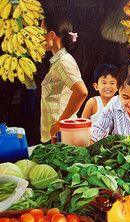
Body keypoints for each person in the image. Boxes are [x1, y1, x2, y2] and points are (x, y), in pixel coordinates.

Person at [40, 14, 88, 143]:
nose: (40, 37)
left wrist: (60, 123)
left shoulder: (63, 62)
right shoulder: (57, 62)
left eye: (42, 32)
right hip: (57, 133)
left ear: (51, 35)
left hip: (62, 134)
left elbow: (81, 91)